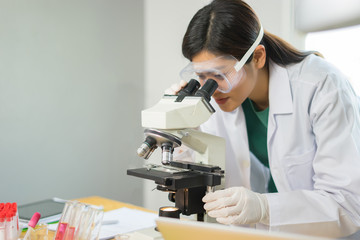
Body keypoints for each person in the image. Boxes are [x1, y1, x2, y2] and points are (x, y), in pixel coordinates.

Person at [165, 0, 360, 238]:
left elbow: (348, 204)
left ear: (257, 57)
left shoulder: (321, 86)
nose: (211, 89)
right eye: (201, 76)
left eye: (219, 75)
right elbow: (201, 169)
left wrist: (265, 208)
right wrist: (185, 131)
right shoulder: (220, 100)